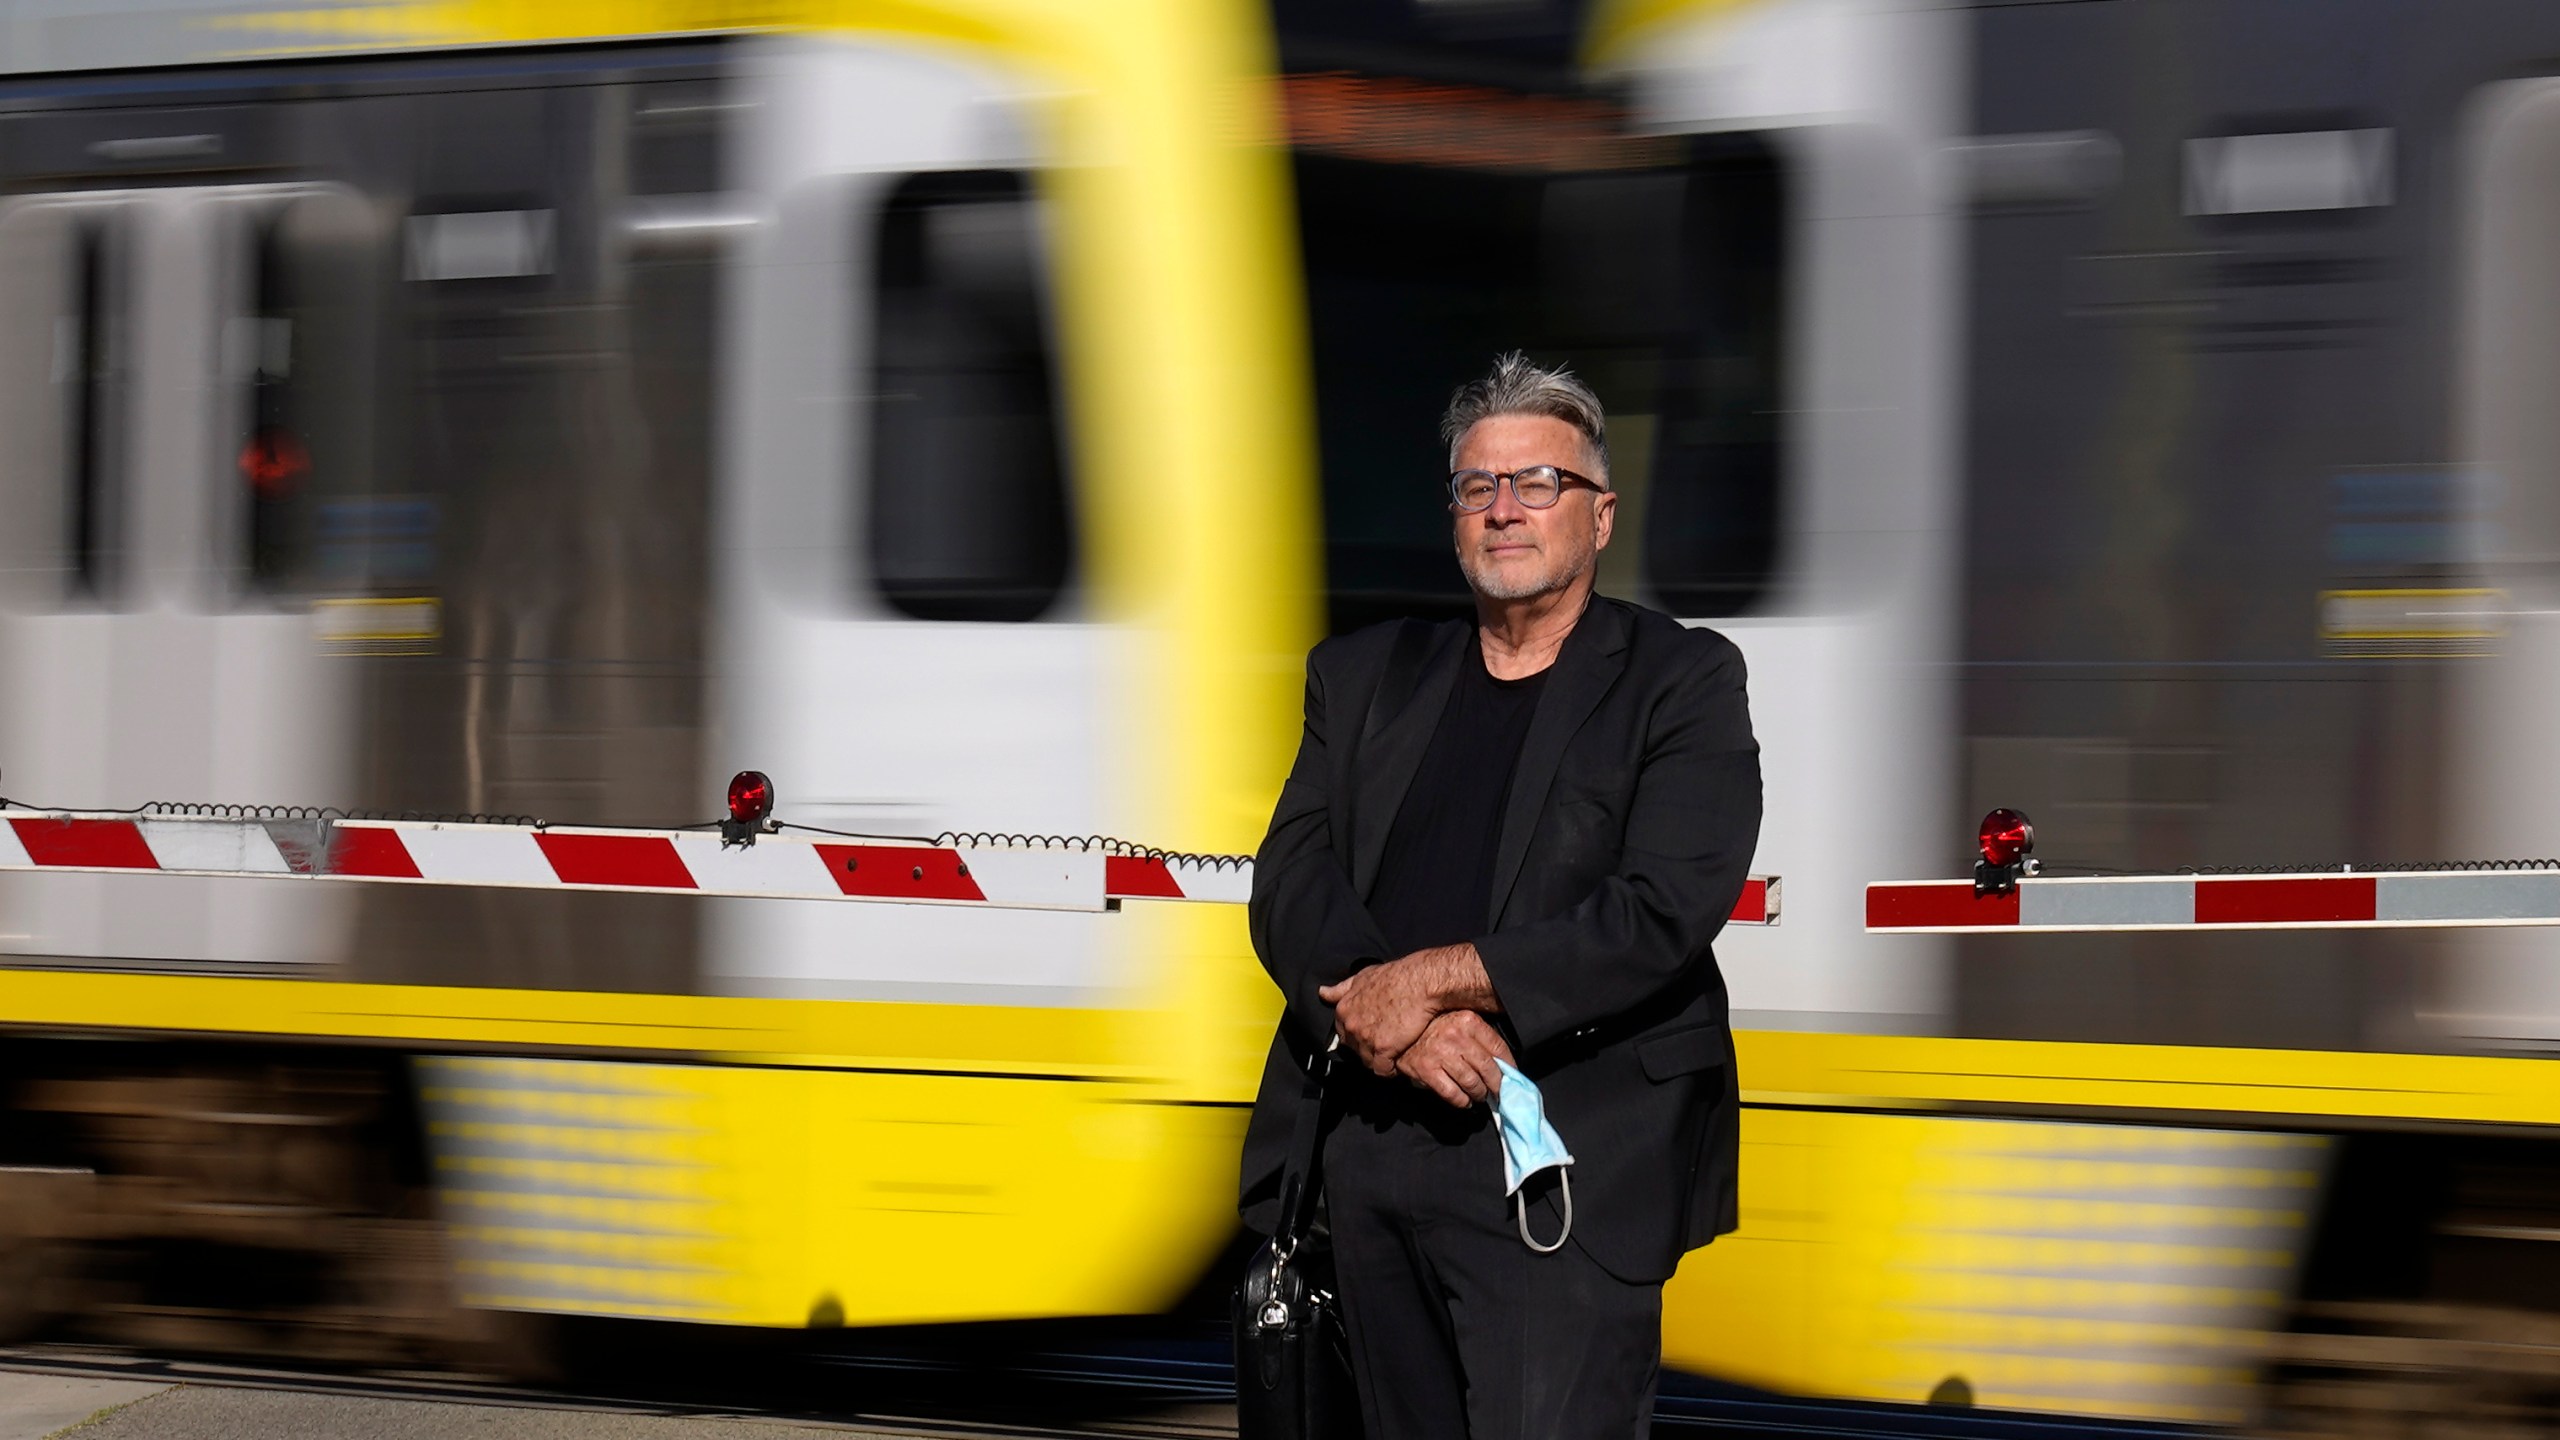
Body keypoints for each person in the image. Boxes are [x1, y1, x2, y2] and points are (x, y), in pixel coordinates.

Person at [1240, 352, 1763, 1438]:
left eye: (1539, 483)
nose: (1505, 509)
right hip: (1373, 1155)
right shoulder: (1364, 675)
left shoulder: (1682, 680)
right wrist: (1390, 1029)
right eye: (1479, 485)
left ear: (1601, 516)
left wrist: (1429, 984)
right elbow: (1292, 878)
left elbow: (1659, 908)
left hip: (1561, 1165)